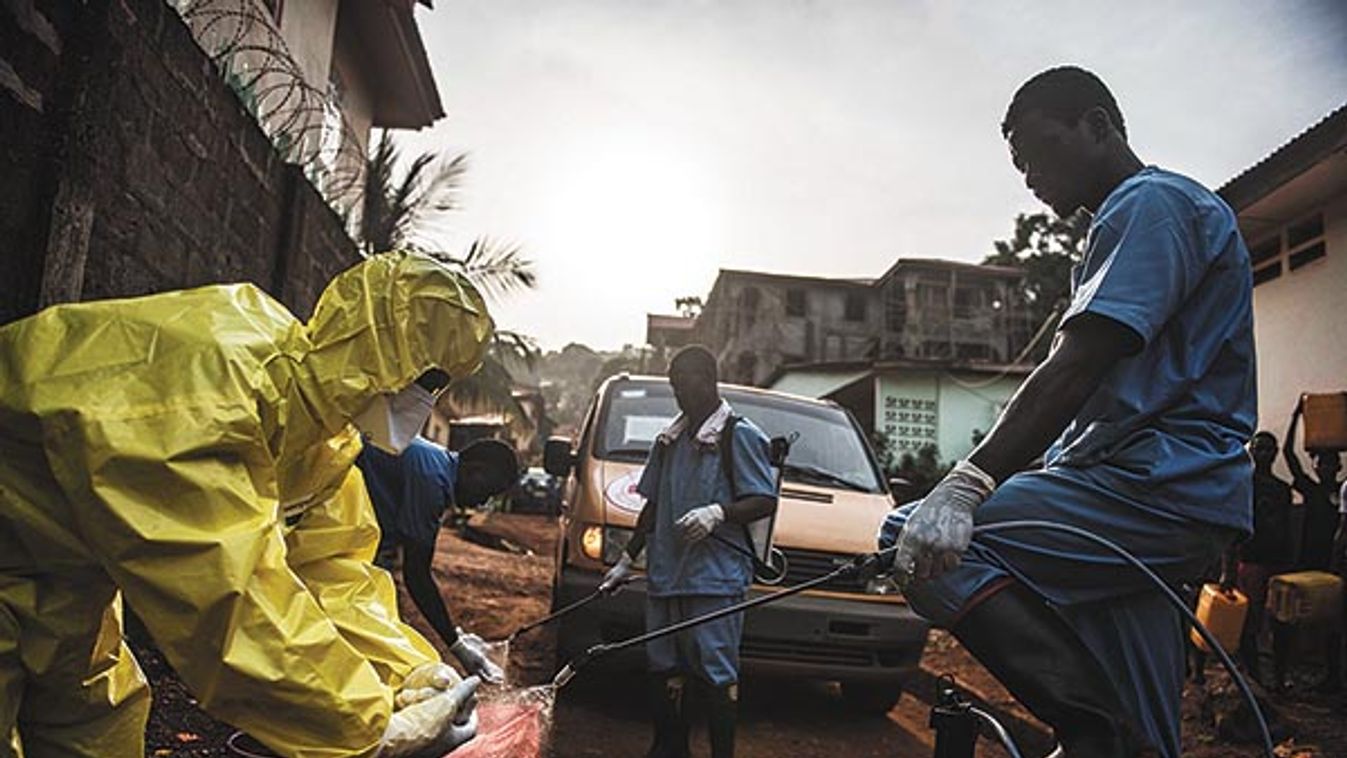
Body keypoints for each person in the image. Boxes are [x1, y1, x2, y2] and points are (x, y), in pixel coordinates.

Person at [879, 66, 1255, 758]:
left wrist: (965, 485)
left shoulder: (1148, 204)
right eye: (1017, 166)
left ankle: (1091, 731)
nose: (1028, 177)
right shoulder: (1140, 221)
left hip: (1147, 490)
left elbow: (1076, 366)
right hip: (1153, 507)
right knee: (1148, 739)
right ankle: (1112, 736)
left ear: (1096, 125)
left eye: (1036, 152)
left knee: (914, 539)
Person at [0, 251, 494, 757]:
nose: (428, 402)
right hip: (17, 548)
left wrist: (407, 668)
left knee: (96, 731)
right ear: (383, 349)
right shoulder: (214, 391)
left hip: (61, 573)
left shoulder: (321, 437)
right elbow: (224, 606)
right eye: (430, 379)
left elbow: (329, 570)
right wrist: (367, 732)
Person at [601, 345, 777, 758]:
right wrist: (627, 560)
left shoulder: (739, 435)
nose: (681, 395)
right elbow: (653, 504)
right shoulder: (669, 440)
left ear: (709, 380)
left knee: (715, 671)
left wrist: (719, 512)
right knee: (665, 665)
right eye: (675, 387)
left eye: (687, 385)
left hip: (714, 579)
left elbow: (763, 500)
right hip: (666, 575)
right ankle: (669, 747)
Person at [357, 436, 520, 683]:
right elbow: (417, 575)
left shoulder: (434, 461)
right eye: (486, 491)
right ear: (475, 470)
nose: (483, 502)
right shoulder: (432, 480)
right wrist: (456, 645)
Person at [1209, 432, 1294, 685]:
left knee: (1282, 622)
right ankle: (1254, 678)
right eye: (1259, 448)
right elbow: (1231, 528)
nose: (1264, 453)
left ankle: (1278, 678)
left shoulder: (1282, 490)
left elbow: (1287, 527)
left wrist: (1292, 561)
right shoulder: (1242, 485)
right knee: (1249, 622)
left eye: (1269, 449)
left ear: (1276, 452)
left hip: (1278, 562)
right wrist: (1228, 568)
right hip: (1250, 561)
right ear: (1251, 452)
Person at [1283, 405, 1344, 692]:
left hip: (1335, 565)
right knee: (1295, 619)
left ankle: (1331, 675)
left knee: (1333, 623)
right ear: (1316, 466)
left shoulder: (1344, 490)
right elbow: (1289, 456)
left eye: (1331, 463)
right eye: (1321, 463)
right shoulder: (1310, 489)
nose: (1326, 467)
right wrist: (1298, 416)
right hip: (1307, 562)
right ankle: (1290, 672)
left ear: (1339, 467)